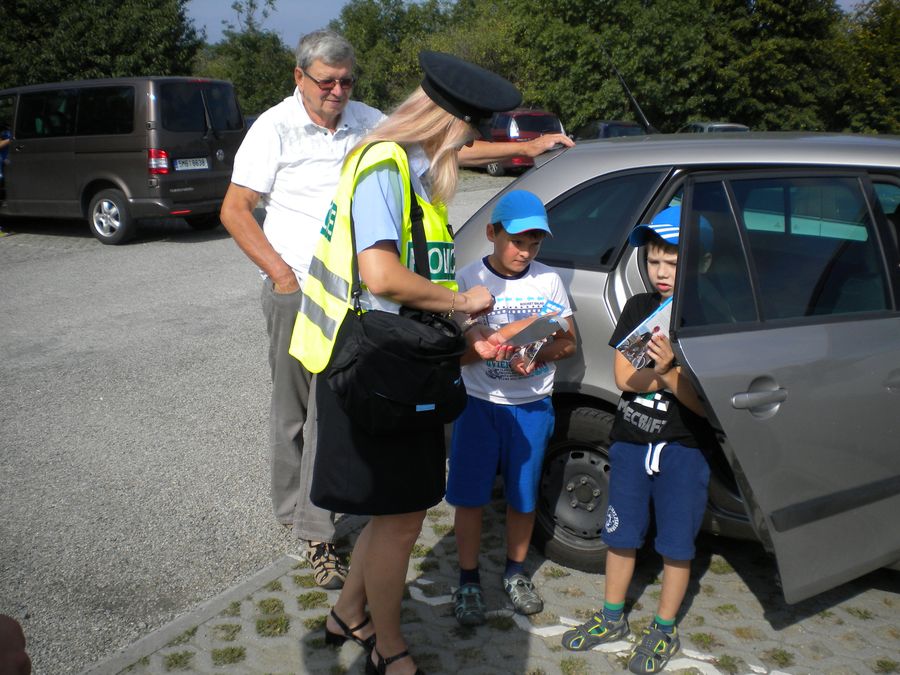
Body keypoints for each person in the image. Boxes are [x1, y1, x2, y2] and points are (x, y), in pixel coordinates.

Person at [219, 30, 572, 590]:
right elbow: (236, 209)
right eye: (326, 81)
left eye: (346, 81)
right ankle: (308, 527)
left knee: (331, 426)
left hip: (363, 308)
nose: (338, 91)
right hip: (312, 295)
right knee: (298, 417)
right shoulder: (280, 128)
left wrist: (524, 150)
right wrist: (283, 278)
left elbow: (444, 148)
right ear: (300, 78)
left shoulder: (374, 128)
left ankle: (326, 544)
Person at [291, 50, 522, 675]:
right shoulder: (384, 165)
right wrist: (464, 302)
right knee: (400, 519)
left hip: (395, 364)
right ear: (449, 124)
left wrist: (463, 330)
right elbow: (381, 275)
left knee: (397, 512)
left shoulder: (410, 174)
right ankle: (388, 646)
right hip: (369, 368)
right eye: (468, 134)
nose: (468, 147)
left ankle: (347, 614)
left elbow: (419, 277)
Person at [561, 205, 715, 674]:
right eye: (653, 260)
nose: (661, 271)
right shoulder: (640, 309)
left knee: (676, 545)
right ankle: (612, 617)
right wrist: (667, 376)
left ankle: (664, 627)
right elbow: (624, 377)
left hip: (684, 451)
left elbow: (703, 404)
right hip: (630, 441)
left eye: (674, 261)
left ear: (703, 261)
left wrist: (666, 371)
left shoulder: (708, 316)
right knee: (620, 534)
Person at [446, 190, 576, 626]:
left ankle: (516, 573)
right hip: (479, 405)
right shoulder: (467, 279)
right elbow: (456, 356)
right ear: (491, 233)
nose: (525, 252)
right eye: (517, 241)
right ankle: (467, 579)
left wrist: (535, 357)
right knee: (469, 498)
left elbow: (568, 342)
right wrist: (484, 348)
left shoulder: (548, 281)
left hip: (532, 406)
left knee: (522, 497)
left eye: (534, 244)